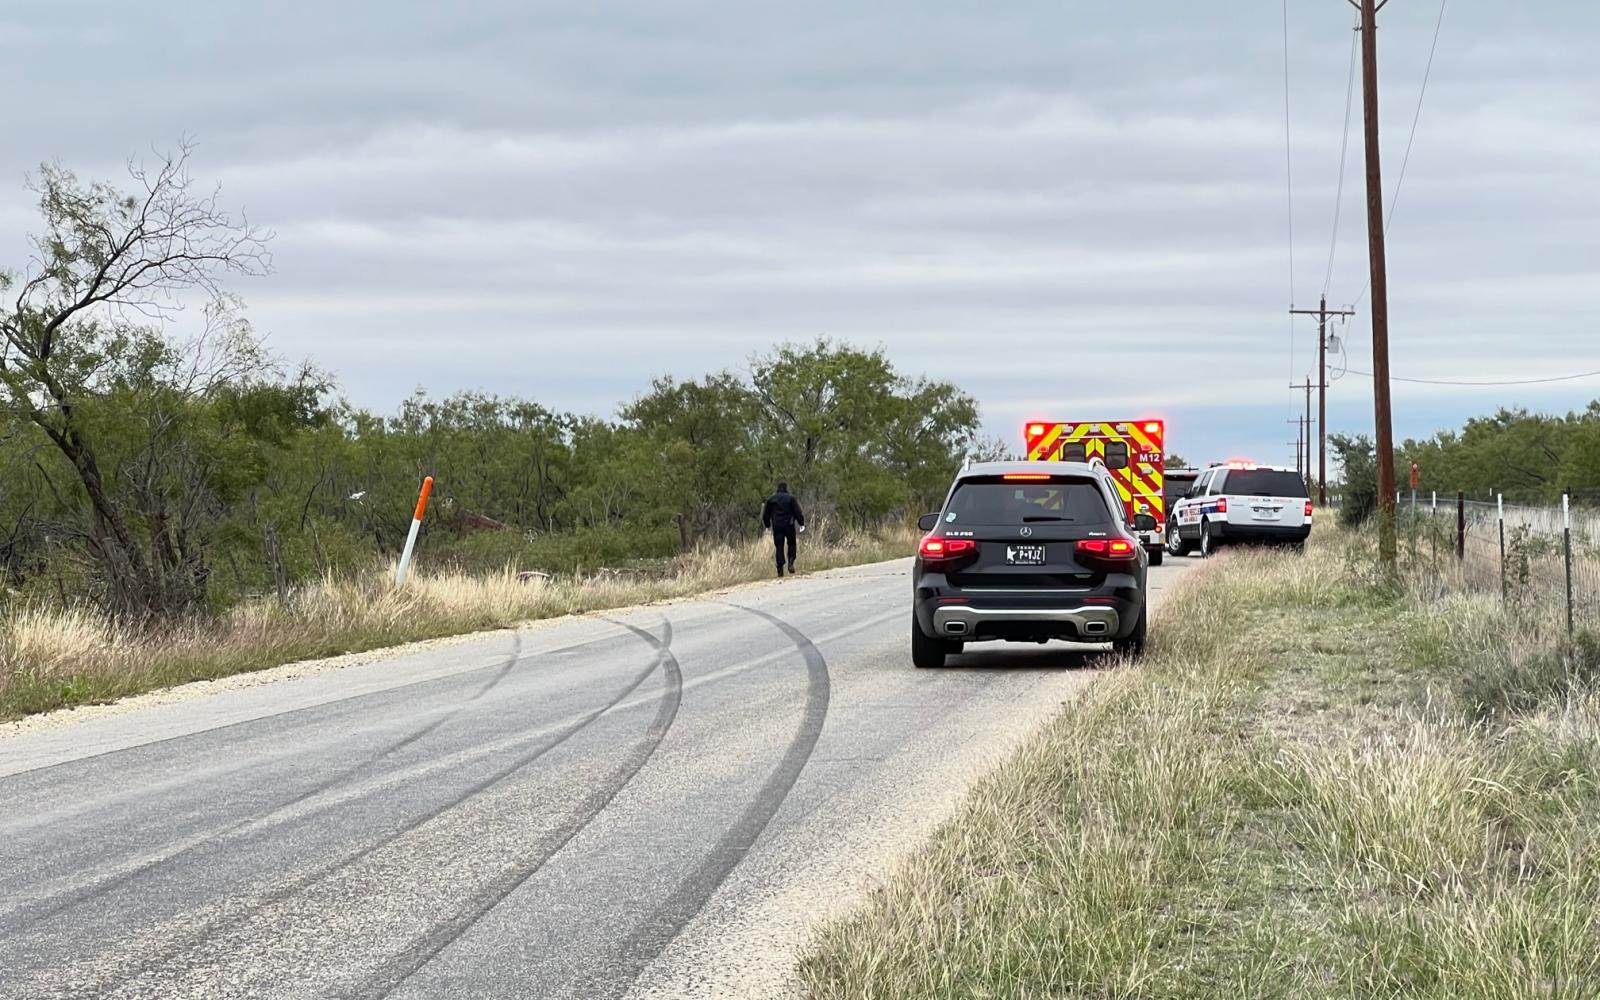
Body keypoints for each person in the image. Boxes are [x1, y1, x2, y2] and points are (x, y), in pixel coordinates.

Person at [761, 481, 806, 577]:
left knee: (779, 546)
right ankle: (790, 562)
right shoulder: (790, 498)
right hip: (789, 524)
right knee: (792, 544)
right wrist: (801, 523)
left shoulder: (771, 500)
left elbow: (765, 514)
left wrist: (767, 525)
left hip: (777, 525)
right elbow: (798, 512)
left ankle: (780, 569)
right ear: (786, 488)